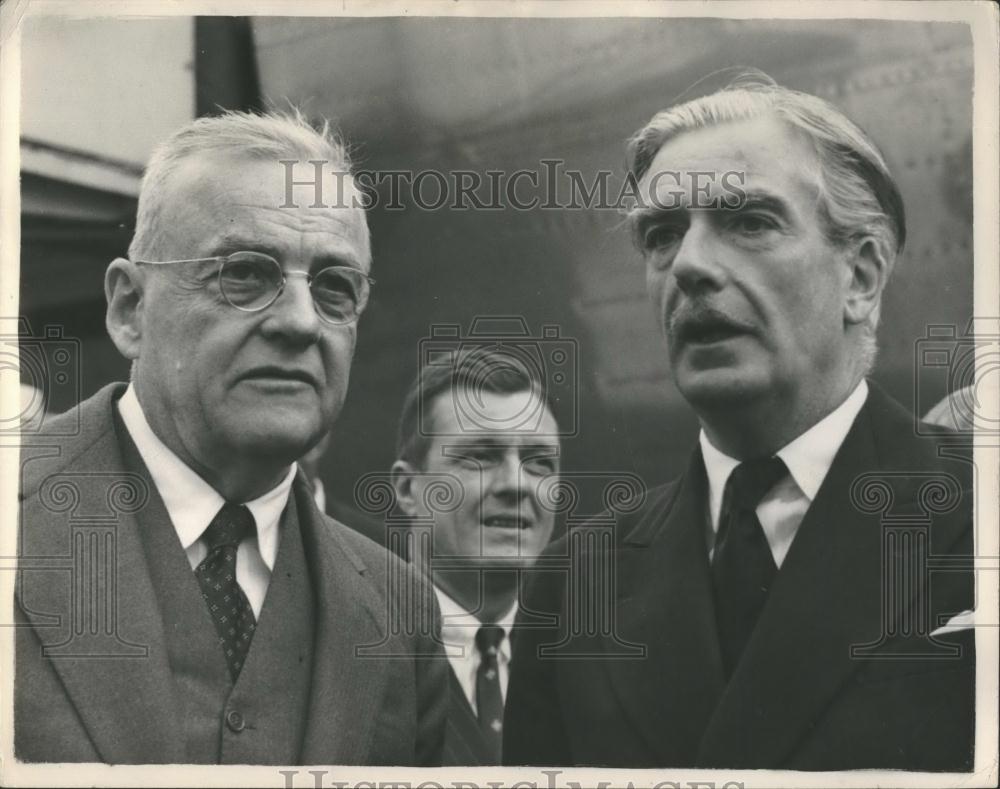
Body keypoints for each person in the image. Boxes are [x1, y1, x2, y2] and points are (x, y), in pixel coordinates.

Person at [504, 75, 975, 770]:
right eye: (662, 235)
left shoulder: (981, 512)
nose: (689, 264)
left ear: (862, 277)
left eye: (749, 221)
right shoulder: (575, 583)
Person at [15, 110, 447, 765]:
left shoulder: (401, 607)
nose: (301, 322)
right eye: (246, 272)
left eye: (334, 287)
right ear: (130, 309)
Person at [391, 348, 561, 765]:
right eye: (479, 457)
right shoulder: (350, 654)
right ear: (409, 491)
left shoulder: (584, 666)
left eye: (539, 463)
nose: (516, 485)